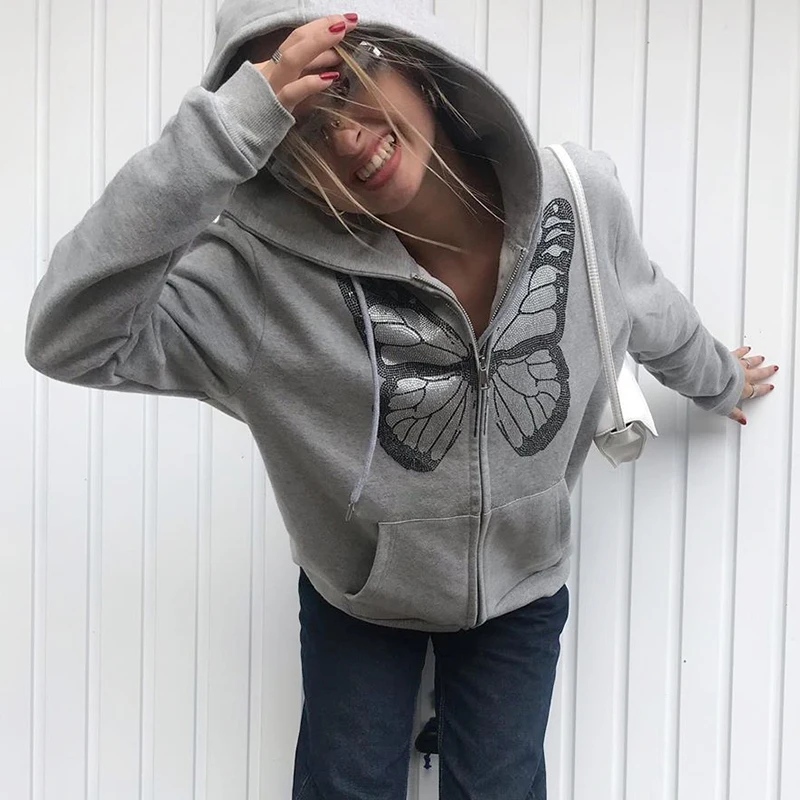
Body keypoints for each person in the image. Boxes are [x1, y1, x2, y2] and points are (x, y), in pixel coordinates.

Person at [25, 2, 778, 798]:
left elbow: (645, 301)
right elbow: (68, 336)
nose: (347, 139)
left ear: (412, 58)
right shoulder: (255, 281)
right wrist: (230, 126)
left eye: (347, 83)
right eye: (299, 125)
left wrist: (720, 379)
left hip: (520, 583)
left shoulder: (579, 203)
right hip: (360, 599)